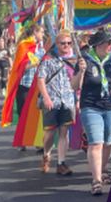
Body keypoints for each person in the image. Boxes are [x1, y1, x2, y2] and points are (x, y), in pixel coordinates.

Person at [35, 30, 85, 176]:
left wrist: (81, 72)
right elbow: (41, 80)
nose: (66, 46)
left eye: (69, 43)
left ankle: (61, 163)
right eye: (63, 43)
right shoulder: (48, 59)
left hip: (67, 101)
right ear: (57, 44)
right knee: (50, 133)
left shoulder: (75, 61)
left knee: (64, 133)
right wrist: (46, 97)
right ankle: (46, 153)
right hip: (52, 101)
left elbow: (76, 85)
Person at [80, 29, 111, 196]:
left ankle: (102, 170)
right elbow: (75, 86)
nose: (108, 46)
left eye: (110, 43)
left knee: (108, 142)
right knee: (96, 143)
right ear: (96, 46)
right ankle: (96, 180)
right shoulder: (85, 60)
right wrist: (81, 71)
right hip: (91, 106)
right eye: (105, 43)